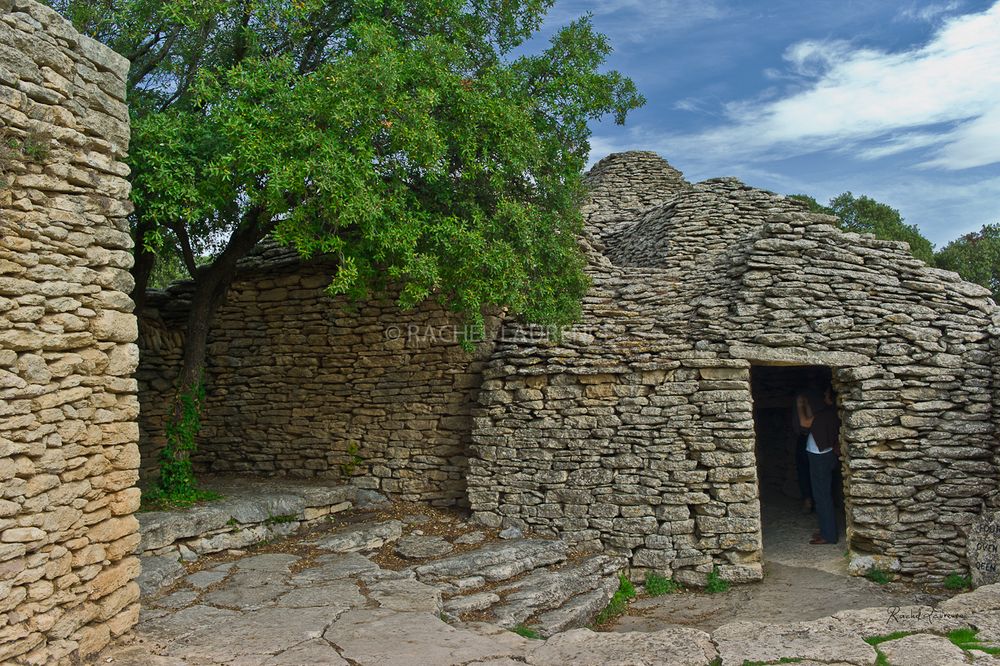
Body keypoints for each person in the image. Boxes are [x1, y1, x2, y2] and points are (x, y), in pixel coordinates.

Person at [796, 385, 841, 545]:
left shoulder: (826, 413)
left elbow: (805, 423)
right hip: (822, 456)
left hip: (821, 458)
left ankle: (828, 535)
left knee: (822, 497)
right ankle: (825, 530)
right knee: (822, 495)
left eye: (826, 393)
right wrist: (807, 405)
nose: (824, 394)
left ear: (832, 397)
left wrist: (800, 406)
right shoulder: (830, 412)